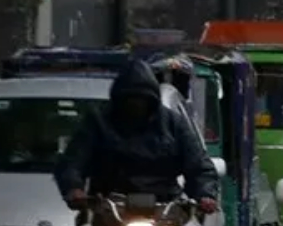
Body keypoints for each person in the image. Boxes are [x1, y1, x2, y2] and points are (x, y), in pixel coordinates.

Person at [54, 60, 220, 214]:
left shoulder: (173, 123)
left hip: (165, 208)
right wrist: (74, 188)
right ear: (119, 99)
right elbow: (73, 160)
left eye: (141, 99)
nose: (135, 105)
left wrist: (205, 194)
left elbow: (198, 163)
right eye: (130, 99)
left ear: (151, 100)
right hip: (107, 208)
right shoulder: (98, 122)